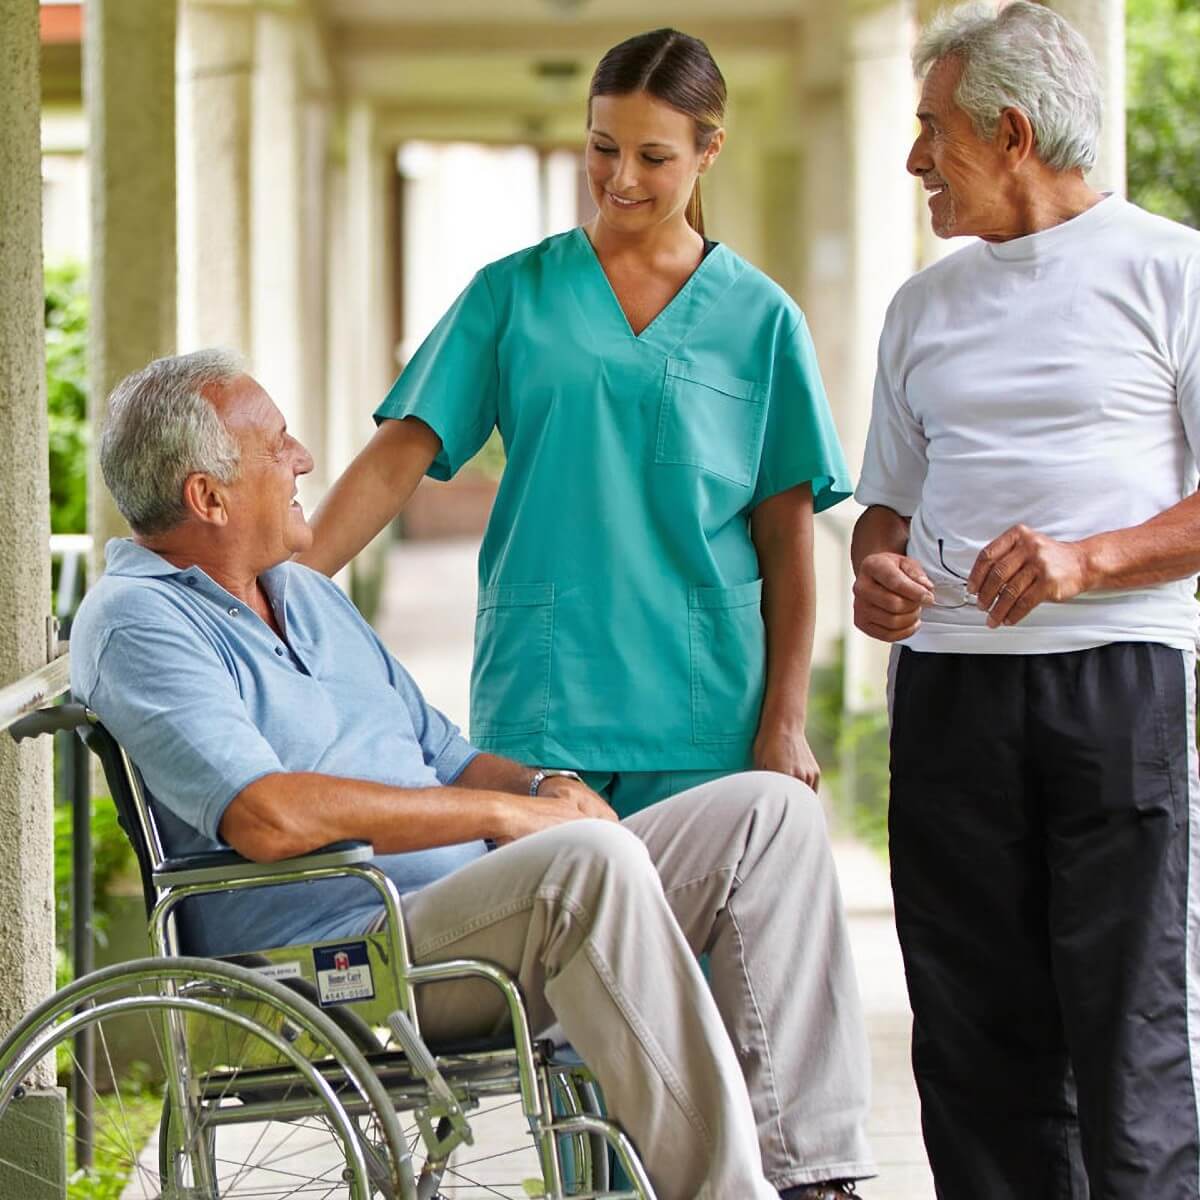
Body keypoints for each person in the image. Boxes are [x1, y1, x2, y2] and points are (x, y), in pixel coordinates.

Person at [71, 351, 874, 1200]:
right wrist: (508, 818)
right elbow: (266, 817)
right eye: (278, 445)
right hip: (340, 961)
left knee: (770, 816)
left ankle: (812, 1182)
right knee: (585, 867)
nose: (304, 458)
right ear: (208, 496)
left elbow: (445, 751)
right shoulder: (140, 622)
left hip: (475, 915)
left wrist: (539, 791)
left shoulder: (305, 595)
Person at [299, 28, 851, 818]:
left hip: (706, 708)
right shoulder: (512, 294)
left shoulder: (762, 320)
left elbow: (786, 536)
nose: (620, 179)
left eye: (653, 157)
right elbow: (400, 456)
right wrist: (282, 587)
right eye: (602, 148)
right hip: (545, 697)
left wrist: (785, 722)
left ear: (709, 150)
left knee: (689, 940)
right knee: (546, 931)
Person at [851, 2, 1200, 1194]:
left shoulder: (1174, 271)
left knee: (1126, 1027)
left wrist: (1085, 561)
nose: (914, 162)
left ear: (1008, 133)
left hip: (1114, 686)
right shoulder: (922, 309)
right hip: (949, 693)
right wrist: (878, 572)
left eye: (931, 130)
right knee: (970, 1034)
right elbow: (885, 510)